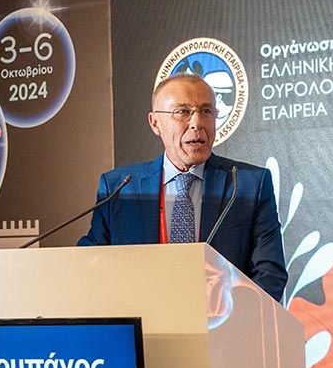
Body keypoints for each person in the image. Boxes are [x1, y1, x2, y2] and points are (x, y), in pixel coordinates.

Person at [78, 73, 287, 301]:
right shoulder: (118, 189)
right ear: (155, 123)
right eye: (183, 112)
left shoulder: (249, 185)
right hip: (144, 319)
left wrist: (225, 315)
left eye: (206, 111)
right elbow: (90, 266)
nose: (197, 123)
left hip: (224, 320)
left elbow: (270, 274)